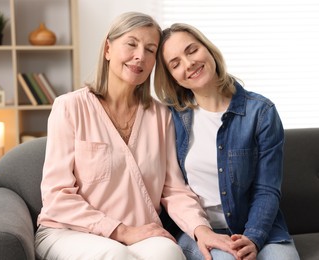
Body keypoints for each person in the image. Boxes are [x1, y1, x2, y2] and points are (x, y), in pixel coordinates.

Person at [34, 12, 239, 260]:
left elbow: (174, 190)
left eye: (151, 50)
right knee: (115, 255)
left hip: (141, 233)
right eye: (131, 44)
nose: (140, 56)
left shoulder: (160, 115)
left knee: (171, 254)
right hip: (69, 231)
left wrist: (201, 229)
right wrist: (121, 231)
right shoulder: (69, 107)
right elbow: (57, 196)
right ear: (108, 49)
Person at [154, 23, 300, 260]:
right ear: (172, 77)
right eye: (175, 63)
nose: (188, 63)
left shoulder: (261, 112)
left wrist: (253, 237)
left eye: (192, 50)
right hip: (201, 232)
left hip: (260, 228)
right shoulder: (170, 118)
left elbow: (267, 189)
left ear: (208, 50)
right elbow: (170, 189)